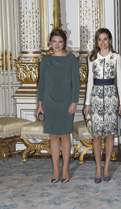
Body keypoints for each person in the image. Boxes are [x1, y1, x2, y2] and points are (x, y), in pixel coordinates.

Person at [36, 28, 80, 183]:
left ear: (64, 43)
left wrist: (74, 102)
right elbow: (41, 84)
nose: (57, 44)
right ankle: (56, 169)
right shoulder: (45, 61)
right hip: (49, 102)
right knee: (53, 136)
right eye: (54, 41)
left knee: (65, 135)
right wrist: (40, 104)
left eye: (60, 41)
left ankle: (66, 168)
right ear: (50, 43)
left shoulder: (71, 59)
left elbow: (76, 83)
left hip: (66, 103)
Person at [83, 28, 121, 184]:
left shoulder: (116, 57)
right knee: (96, 135)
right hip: (95, 99)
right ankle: (98, 169)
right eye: (99, 39)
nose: (102, 42)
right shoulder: (92, 58)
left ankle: (106, 167)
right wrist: (87, 103)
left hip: (111, 98)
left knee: (109, 135)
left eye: (105, 39)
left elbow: (119, 81)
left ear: (110, 40)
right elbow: (89, 82)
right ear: (96, 41)